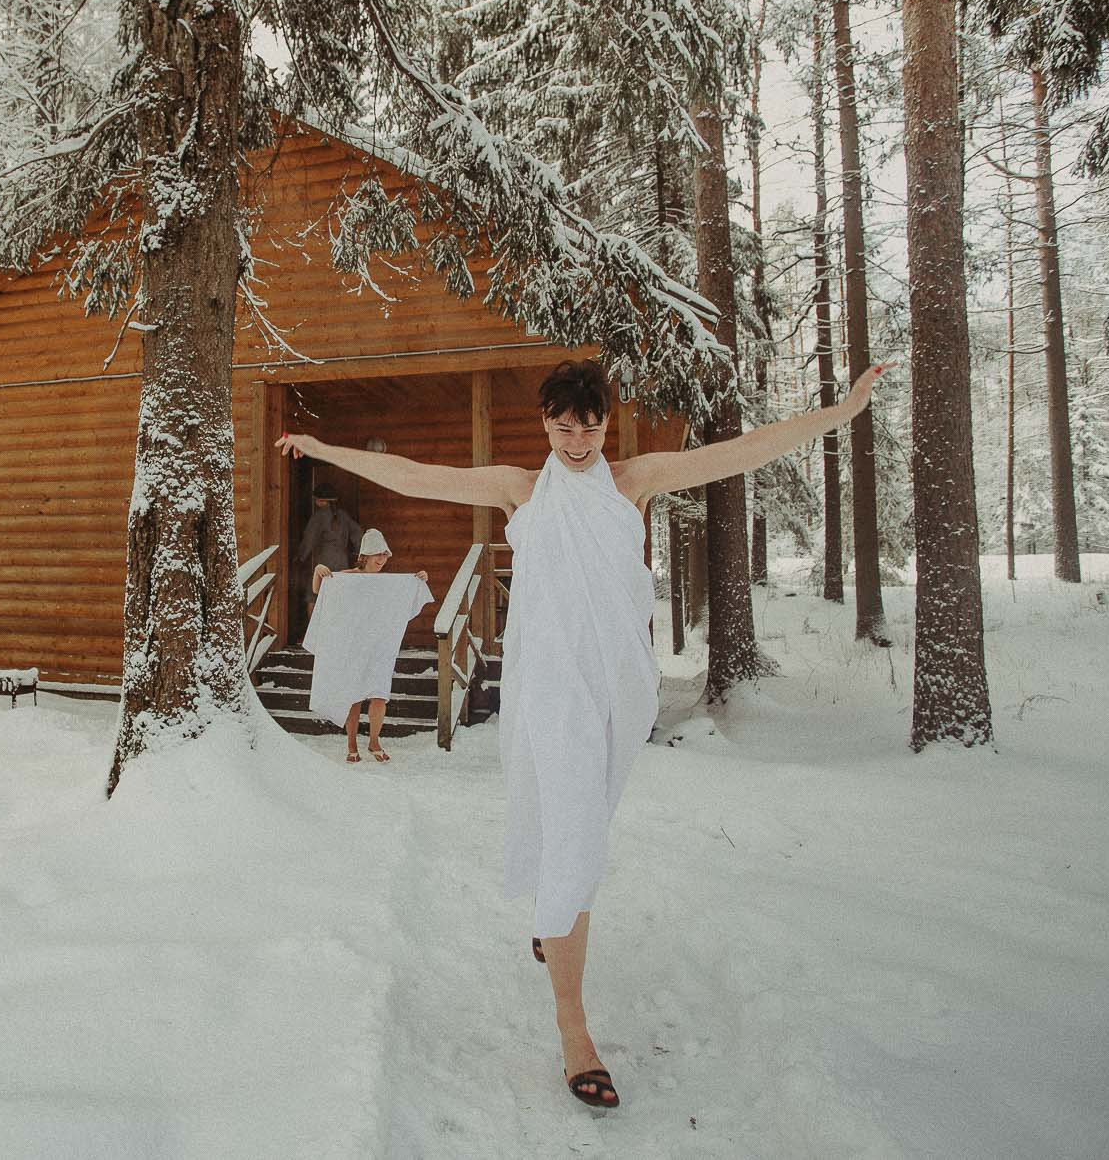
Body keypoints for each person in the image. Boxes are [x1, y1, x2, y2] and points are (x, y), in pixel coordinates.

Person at [278, 357, 891, 1109]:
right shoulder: (521, 488)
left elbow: (738, 452)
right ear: (545, 422)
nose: (576, 439)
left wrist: (842, 412)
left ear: (607, 419)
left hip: (614, 692)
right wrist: (323, 449)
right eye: (563, 425)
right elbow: (414, 473)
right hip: (549, 689)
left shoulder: (631, 479)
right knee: (574, 837)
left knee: (581, 827)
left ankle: (553, 914)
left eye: (590, 424)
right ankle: (574, 1027)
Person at [308, 529, 431, 764]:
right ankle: (352, 744)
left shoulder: (388, 584)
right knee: (354, 695)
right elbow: (320, 589)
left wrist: (418, 581)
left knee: (379, 695)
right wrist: (318, 571)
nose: (382, 560)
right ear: (365, 555)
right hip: (354, 646)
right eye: (378, 555)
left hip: (379, 647)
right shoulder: (347, 577)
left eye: (385, 555)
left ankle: (374, 741)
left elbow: (407, 597)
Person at [295, 484, 361, 617]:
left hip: (324, 561)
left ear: (322, 501)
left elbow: (309, 539)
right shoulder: (344, 515)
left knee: (313, 595)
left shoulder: (319, 516)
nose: (315, 502)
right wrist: (360, 555)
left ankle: (313, 631)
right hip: (342, 561)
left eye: (316, 499)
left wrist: (300, 557)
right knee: (338, 596)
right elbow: (358, 534)